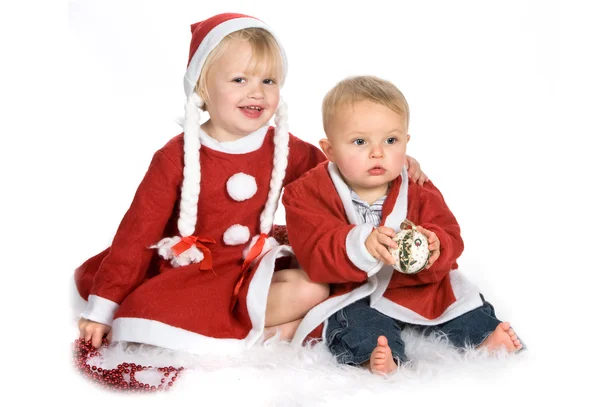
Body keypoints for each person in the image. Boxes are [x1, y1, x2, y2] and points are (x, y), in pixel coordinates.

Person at [74, 14, 428, 353]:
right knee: (153, 321)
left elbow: (342, 175)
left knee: (314, 288)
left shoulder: (283, 147)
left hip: (253, 265)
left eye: (268, 81)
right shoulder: (176, 156)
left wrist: (393, 163)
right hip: (193, 271)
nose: (256, 93)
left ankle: (268, 329)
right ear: (202, 86)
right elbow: (136, 233)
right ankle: (269, 333)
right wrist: (103, 309)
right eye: (240, 80)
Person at [283, 75, 523, 375]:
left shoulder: (417, 186)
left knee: (458, 307)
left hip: (414, 286)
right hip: (355, 290)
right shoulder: (307, 192)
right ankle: (377, 356)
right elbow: (313, 248)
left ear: (406, 142)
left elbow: (448, 230)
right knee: (353, 322)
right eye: (360, 141)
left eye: (391, 140)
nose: (377, 152)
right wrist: (360, 244)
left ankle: (486, 338)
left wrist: (436, 244)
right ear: (329, 150)